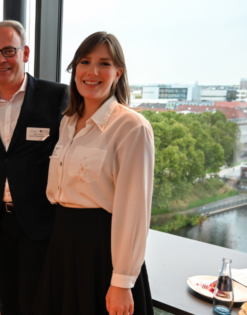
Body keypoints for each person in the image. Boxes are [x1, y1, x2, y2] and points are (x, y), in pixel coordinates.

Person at [34, 31, 154, 315]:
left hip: (102, 252)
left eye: (104, 63)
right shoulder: (68, 122)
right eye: (85, 62)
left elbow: (134, 211)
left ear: (118, 73)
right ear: (75, 69)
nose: (92, 71)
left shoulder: (131, 127)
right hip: (63, 244)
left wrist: (122, 282)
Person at [0, 20, 69, 315]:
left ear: (25, 53)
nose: (0, 59)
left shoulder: (56, 96)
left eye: (8, 51)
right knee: (8, 300)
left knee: (38, 303)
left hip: (41, 221)